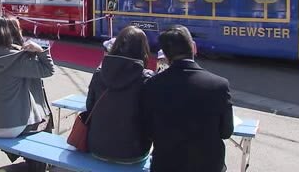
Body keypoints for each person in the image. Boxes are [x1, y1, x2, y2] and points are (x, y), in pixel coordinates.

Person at [142, 25, 233, 172]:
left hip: (166, 165)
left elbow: (148, 130)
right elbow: (226, 132)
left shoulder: (152, 85)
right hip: (209, 166)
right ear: (194, 47)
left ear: (165, 55)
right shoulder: (219, 85)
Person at [0, 16, 55, 171]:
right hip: (9, 127)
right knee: (46, 120)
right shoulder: (17, 58)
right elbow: (48, 70)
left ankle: (27, 162)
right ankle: (38, 165)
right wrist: (40, 50)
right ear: (14, 33)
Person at [86, 26, 153, 163]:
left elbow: (89, 106)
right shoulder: (146, 78)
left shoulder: (99, 74)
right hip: (133, 152)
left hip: (96, 148)